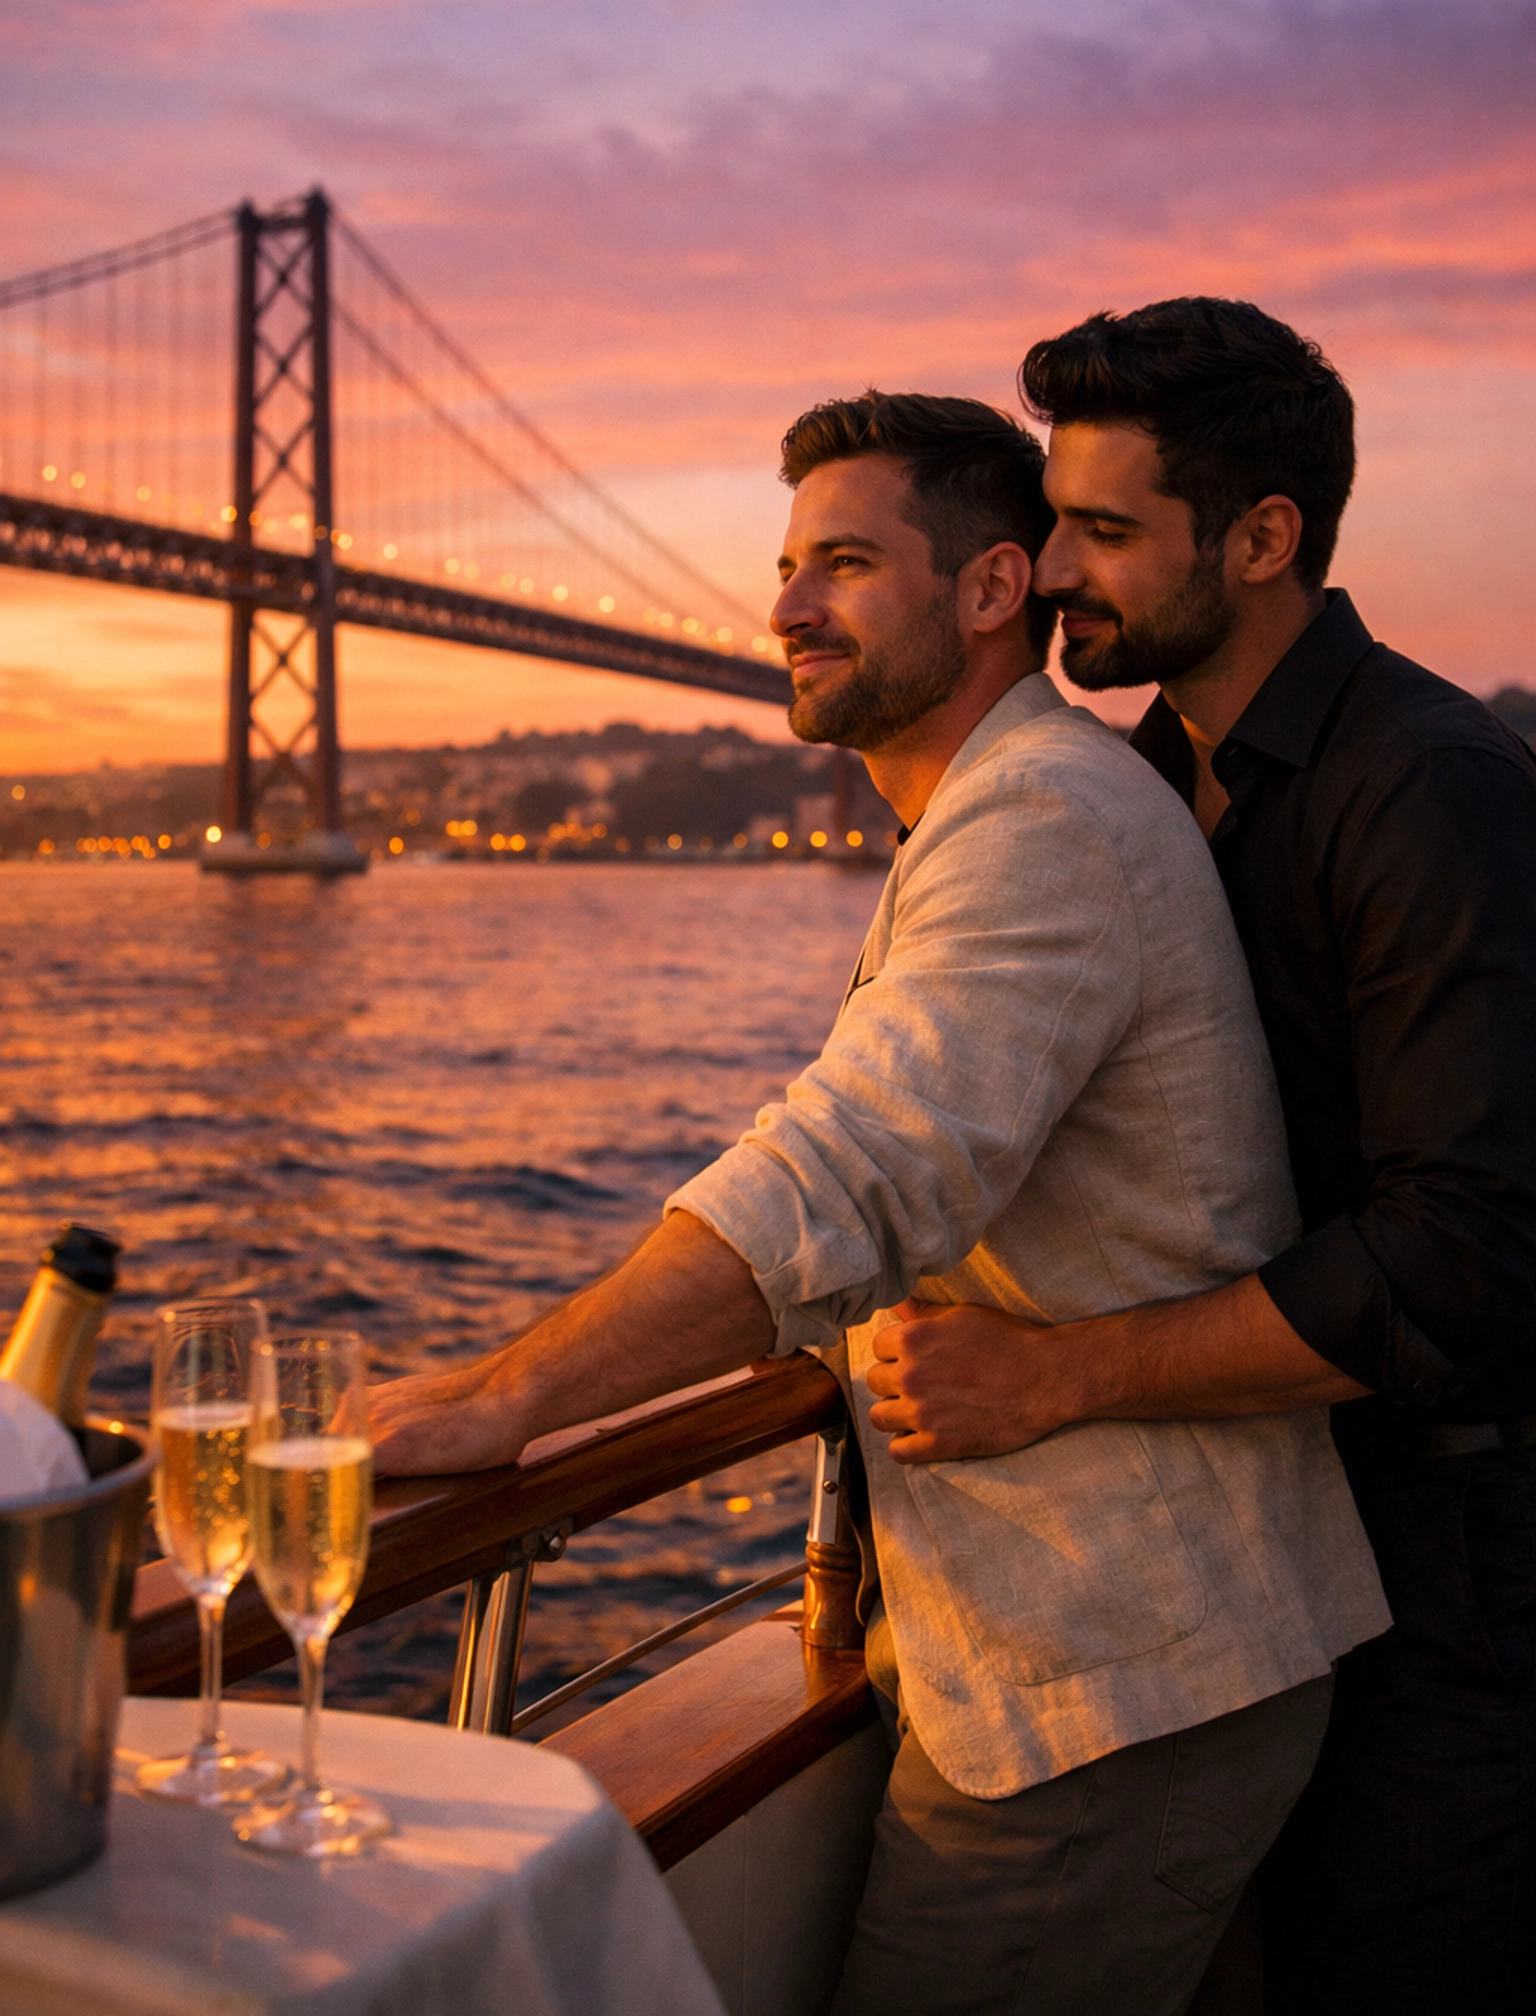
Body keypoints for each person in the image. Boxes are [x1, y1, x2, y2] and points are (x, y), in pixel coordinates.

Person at [371, 389, 1387, 2016]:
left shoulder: (1041, 817)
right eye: (786, 563)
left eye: (843, 562)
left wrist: (511, 1397)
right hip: (1100, 1656)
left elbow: (847, 1164)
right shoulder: (991, 810)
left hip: (1118, 1684)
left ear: (993, 592)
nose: (783, 606)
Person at [871, 303, 1536, 2013]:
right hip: (1258, 1551)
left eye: (1103, 531)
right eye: (1051, 521)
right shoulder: (1139, 785)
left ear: (1262, 541)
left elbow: (1468, 1253)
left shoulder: (1436, 789)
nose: (1050, 570)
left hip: (1462, 1565)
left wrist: (1057, 1378)